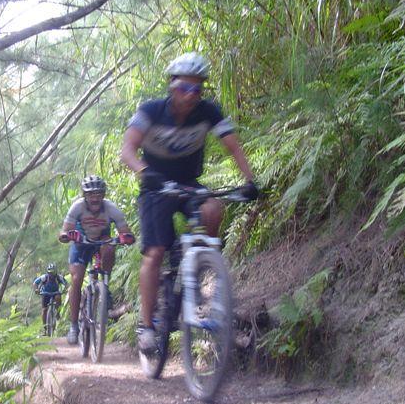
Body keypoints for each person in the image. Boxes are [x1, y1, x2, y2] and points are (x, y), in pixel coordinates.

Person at [120, 52, 259, 354]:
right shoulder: (151, 110)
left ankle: (197, 274)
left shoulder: (208, 111)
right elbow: (128, 150)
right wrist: (146, 173)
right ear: (171, 86)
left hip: (188, 183)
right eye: (184, 88)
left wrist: (250, 181)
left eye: (197, 89)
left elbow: (233, 146)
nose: (191, 95)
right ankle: (146, 325)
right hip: (156, 186)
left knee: (213, 209)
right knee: (155, 252)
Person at [58, 175, 135, 345]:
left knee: (109, 247)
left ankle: (104, 287)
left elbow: (125, 230)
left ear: (103, 194)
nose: (95, 198)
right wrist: (66, 235)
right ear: (84, 195)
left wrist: (126, 237)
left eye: (99, 194)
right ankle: (73, 325)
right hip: (81, 242)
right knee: (76, 279)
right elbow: (64, 231)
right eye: (91, 194)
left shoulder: (111, 208)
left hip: (102, 239)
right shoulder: (77, 207)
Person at [33, 263, 68, 335]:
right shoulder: (44, 277)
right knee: (44, 310)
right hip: (45, 293)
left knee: (58, 297)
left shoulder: (59, 277)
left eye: (52, 272)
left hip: (55, 293)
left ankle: (57, 312)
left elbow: (66, 284)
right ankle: (45, 328)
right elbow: (35, 283)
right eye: (50, 272)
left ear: (55, 272)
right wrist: (36, 290)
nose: (51, 274)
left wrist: (65, 289)